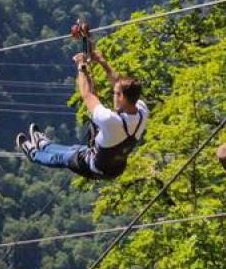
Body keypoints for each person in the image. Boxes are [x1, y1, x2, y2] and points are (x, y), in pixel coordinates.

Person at [17, 48, 148, 180]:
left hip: (93, 167)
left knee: (62, 158)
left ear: (122, 97)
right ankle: (43, 145)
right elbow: (119, 84)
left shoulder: (111, 121)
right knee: (73, 149)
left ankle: (33, 154)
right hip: (115, 166)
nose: (113, 95)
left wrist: (81, 67)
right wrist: (102, 62)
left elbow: (87, 95)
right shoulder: (142, 112)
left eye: (115, 93)